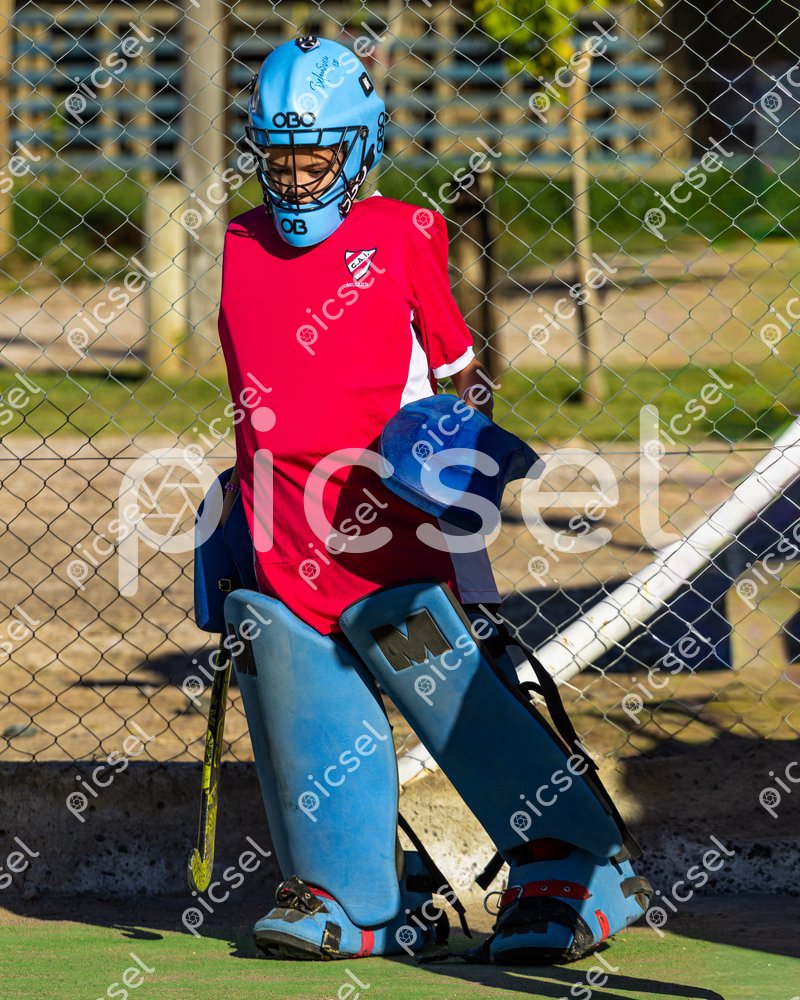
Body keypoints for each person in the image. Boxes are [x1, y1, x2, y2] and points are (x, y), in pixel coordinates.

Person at [210, 34, 650, 963]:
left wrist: (454, 465)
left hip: (392, 521)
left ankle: (572, 865)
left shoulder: (403, 231)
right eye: (280, 158)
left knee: (447, 683)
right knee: (298, 680)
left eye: (317, 157)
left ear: (362, 147)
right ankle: (364, 892)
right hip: (282, 523)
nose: (296, 178)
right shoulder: (240, 244)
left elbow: (457, 378)